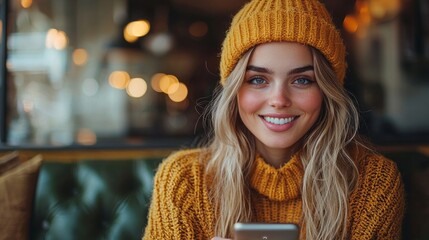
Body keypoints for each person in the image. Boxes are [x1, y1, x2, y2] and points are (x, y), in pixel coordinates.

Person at [142, 0, 405, 239]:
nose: (279, 99)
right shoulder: (185, 180)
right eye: (257, 80)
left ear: (326, 90)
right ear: (234, 91)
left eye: (302, 80)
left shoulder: (372, 182)